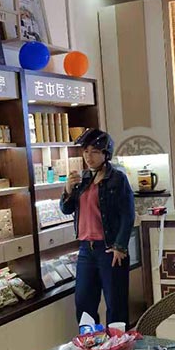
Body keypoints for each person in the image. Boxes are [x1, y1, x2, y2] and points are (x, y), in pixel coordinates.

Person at [60, 128, 135, 325]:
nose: (88, 156)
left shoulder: (117, 179)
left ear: (105, 153)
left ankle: (117, 343)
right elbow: (66, 209)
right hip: (86, 250)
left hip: (109, 249)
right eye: (86, 151)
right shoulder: (83, 179)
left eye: (94, 151)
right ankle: (90, 342)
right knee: (84, 304)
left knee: (116, 305)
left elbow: (128, 214)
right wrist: (68, 189)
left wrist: (120, 246)